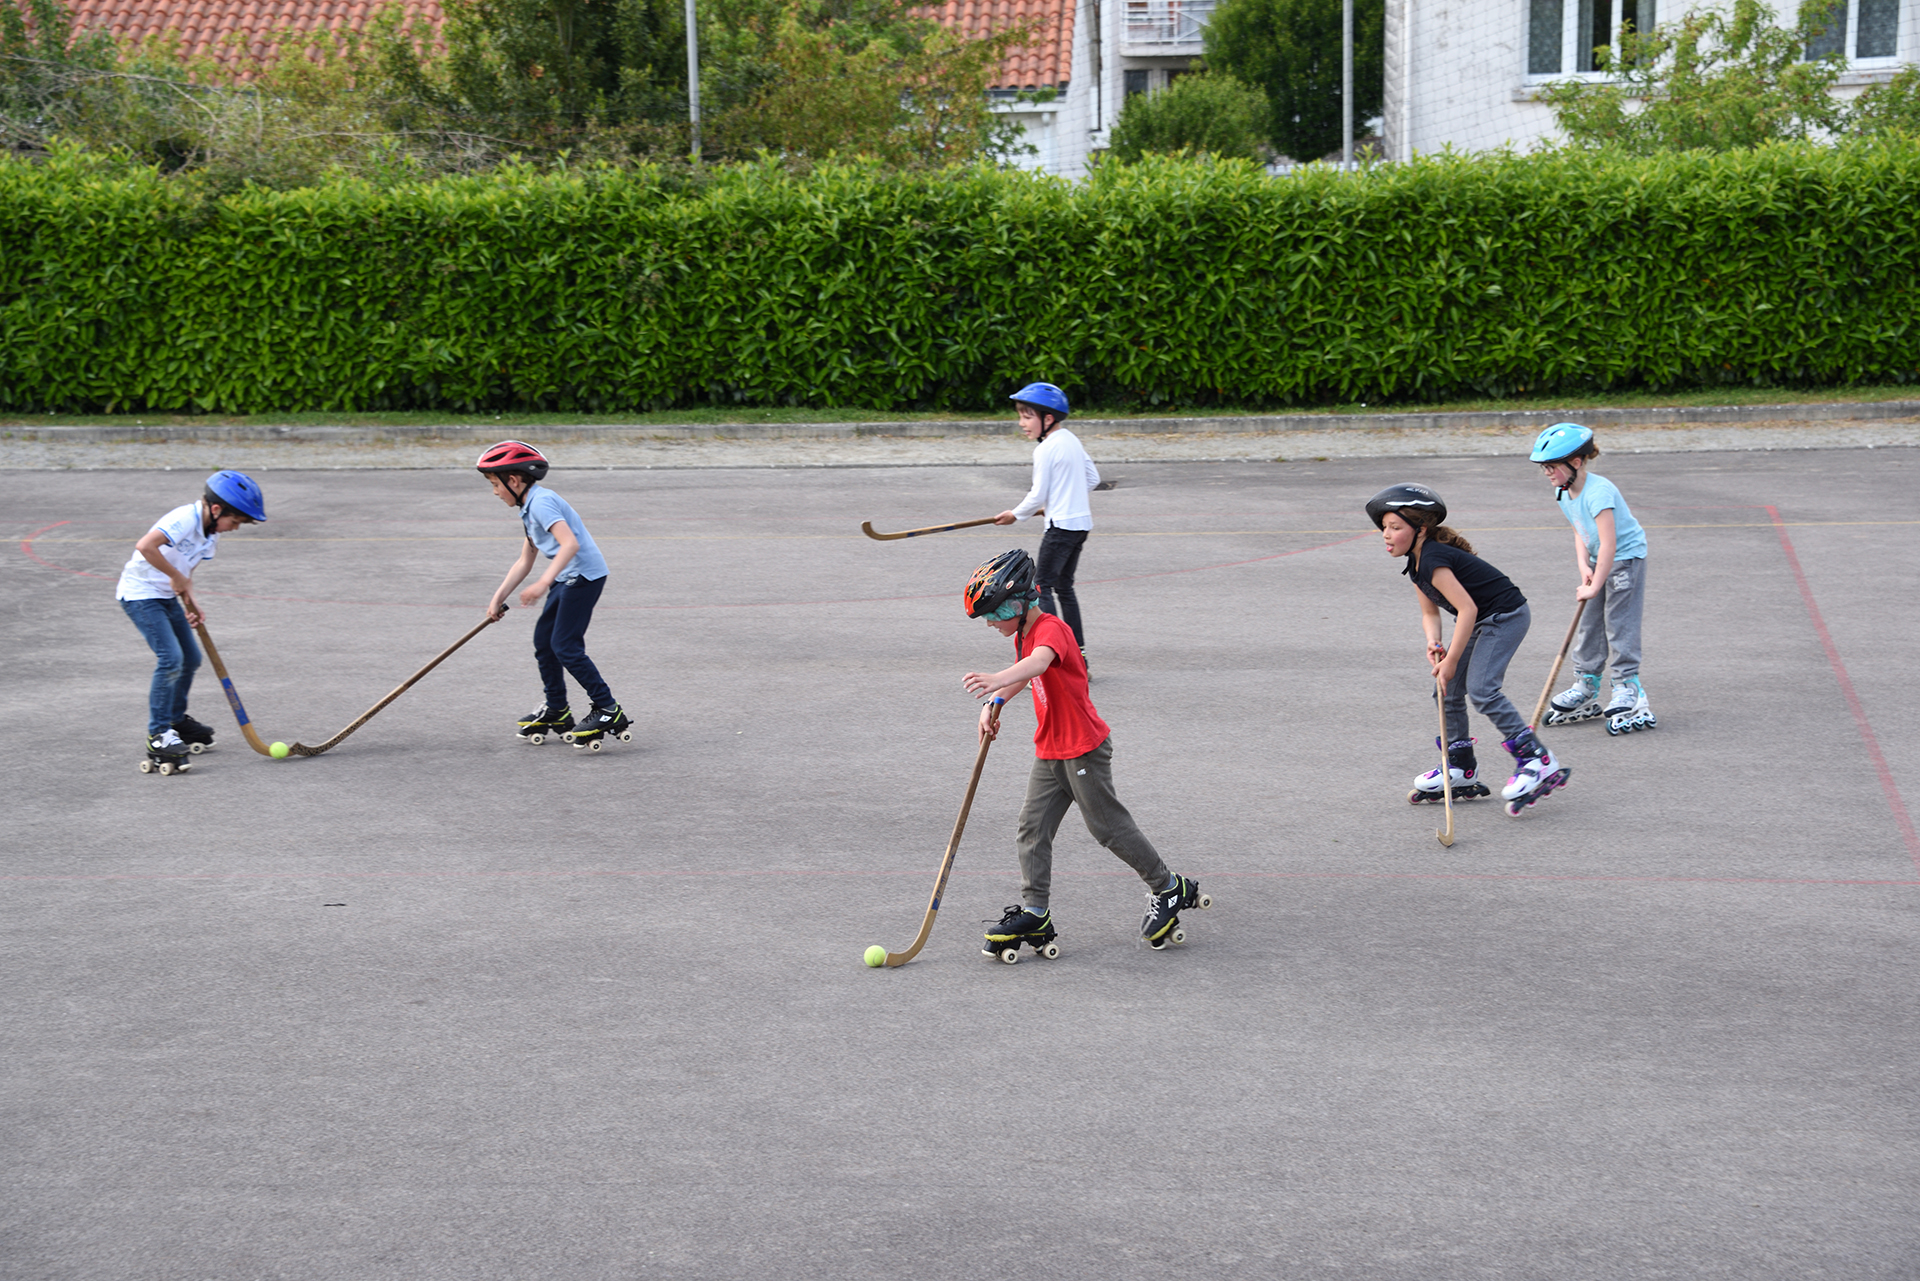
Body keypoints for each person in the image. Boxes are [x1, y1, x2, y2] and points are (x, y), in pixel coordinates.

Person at [959, 548, 1208, 959]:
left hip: (1083, 749)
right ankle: (1036, 911)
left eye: (992, 613)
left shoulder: (1052, 630)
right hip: (1051, 748)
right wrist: (995, 703)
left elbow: (1038, 664)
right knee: (1032, 828)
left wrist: (996, 679)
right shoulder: (1022, 633)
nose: (989, 622)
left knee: (1108, 828)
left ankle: (1168, 887)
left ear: (1018, 604)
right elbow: (1024, 672)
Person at [1366, 483, 1570, 818]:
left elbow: (1468, 610)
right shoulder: (1416, 564)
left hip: (1505, 617)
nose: (1386, 535)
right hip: (1483, 619)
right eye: (1385, 528)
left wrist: (1452, 660)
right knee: (1446, 689)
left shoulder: (1433, 558)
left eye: (1395, 527)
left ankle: (1538, 760)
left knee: (1482, 690)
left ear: (1421, 530)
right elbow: (1430, 612)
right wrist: (1435, 643)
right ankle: (1461, 766)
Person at [477, 441, 630, 749]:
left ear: (514, 481)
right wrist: (498, 596)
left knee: (565, 645)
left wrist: (542, 583)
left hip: (584, 576)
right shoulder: (527, 507)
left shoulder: (542, 502)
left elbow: (569, 544)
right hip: (566, 577)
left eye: (496, 484)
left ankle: (608, 709)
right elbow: (526, 558)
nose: (494, 491)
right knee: (545, 644)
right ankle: (558, 709)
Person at [115, 470, 267, 770]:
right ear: (215, 509)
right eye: (234, 521)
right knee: (171, 658)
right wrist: (175, 578)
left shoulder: (211, 536)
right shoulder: (185, 518)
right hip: (140, 595)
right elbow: (145, 546)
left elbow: (186, 571)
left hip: (168, 596)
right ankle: (158, 734)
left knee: (192, 658)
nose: (234, 528)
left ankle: (175, 721)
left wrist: (191, 601)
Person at [1531, 424, 1656, 735]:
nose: (1547, 473)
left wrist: (1597, 583)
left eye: (1552, 466)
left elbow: (1610, 543)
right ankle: (1587, 683)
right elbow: (1578, 529)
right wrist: (1584, 567)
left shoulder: (1599, 493)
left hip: (1625, 559)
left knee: (1619, 623)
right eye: (1544, 467)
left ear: (1575, 463)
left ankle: (1628, 687)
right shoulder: (1563, 491)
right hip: (1599, 560)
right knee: (1589, 624)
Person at [992, 382, 1099, 666]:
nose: (1021, 423)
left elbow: (1037, 493)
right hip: (1080, 525)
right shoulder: (1071, 440)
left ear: (1047, 418)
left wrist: (1017, 514)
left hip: (1062, 527)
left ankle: (1052, 658)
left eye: (1027, 416)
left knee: (1042, 588)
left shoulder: (1046, 449)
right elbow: (1092, 479)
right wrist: (1053, 504)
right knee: (1064, 588)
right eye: (1020, 415)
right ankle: (1080, 657)